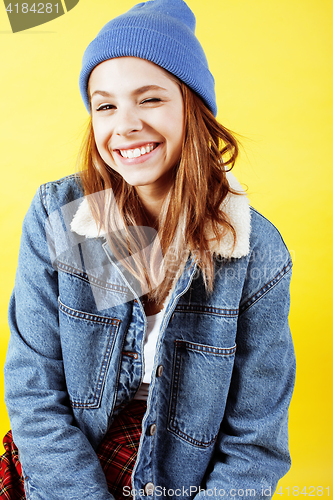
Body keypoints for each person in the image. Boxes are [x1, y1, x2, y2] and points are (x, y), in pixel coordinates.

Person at [1, 0, 296, 499]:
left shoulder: (258, 253)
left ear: (192, 107)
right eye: (106, 104)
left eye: (150, 99)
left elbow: (254, 445)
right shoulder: (60, 214)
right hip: (64, 463)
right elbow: (35, 391)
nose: (126, 125)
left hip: (185, 476)